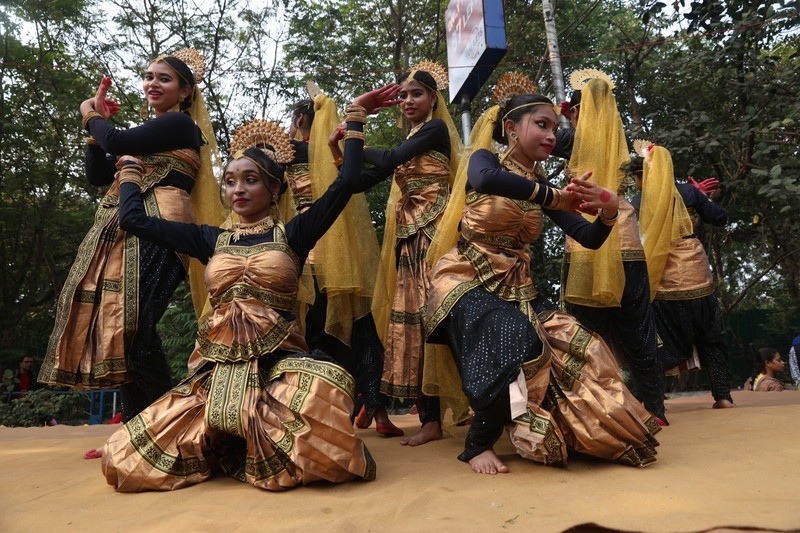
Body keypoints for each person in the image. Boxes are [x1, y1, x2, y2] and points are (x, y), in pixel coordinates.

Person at [101, 86, 399, 492]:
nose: (237, 189)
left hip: (279, 366)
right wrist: (131, 173)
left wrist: (356, 116)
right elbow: (135, 221)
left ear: (274, 189)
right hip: (216, 370)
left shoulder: (294, 234)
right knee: (125, 458)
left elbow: (346, 182)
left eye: (250, 180)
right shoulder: (209, 240)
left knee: (327, 389)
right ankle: (230, 435)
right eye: (229, 182)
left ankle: (245, 437)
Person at [425, 84, 660, 475]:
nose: (552, 135)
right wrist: (552, 197)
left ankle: (585, 429)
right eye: (542, 125)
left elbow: (588, 236)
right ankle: (477, 444)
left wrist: (607, 210)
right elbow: (484, 181)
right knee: (513, 334)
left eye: (555, 127)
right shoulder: (486, 160)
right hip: (464, 278)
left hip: (516, 287)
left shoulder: (544, 187)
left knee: (579, 344)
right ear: (512, 128)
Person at [38, 49, 225, 423]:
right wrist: (97, 132)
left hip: (160, 229)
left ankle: (167, 426)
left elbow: (117, 143)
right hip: (125, 228)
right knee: (120, 331)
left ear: (185, 91)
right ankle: (135, 427)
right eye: (149, 76)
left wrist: (90, 113)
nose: (152, 83)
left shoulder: (180, 126)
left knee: (134, 328)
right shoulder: (144, 137)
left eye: (164, 78)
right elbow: (96, 173)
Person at [329, 62, 463, 446]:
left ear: (433, 99)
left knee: (444, 313)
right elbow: (356, 182)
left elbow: (385, 161)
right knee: (414, 322)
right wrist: (338, 148)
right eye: (402, 95)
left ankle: (487, 405)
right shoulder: (412, 142)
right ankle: (431, 421)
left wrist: (358, 129)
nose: (406, 100)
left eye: (415, 93)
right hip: (410, 237)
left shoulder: (434, 129)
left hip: (436, 232)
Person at [285, 96, 402, 437]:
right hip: (345, 257)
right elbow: (373, 172)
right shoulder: (338, 157)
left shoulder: (289, 153)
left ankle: (323, 409)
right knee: (363, 332)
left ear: (299, 121)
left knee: (313, 333)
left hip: (306, 253)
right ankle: (378, 412)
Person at [554, 70, 666, 423]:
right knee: (638, 330)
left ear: (578, 112)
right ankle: (656, 410)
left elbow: (536, 139)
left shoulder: (571, 140)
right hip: (627, 244)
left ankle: (596, 408)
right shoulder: (622, 148)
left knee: (586, 334)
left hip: (588, 245)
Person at [630, 144, 735, 409]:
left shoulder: (639, 201)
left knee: (664, 342)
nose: (636, 182)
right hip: (698, 275)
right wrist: (701, 199)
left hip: (662, 277)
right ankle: (723, 397)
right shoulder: (688, 191)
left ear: (642, 175)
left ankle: (641, 398)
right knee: (711, 337)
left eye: (636, 177)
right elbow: (720, 218)